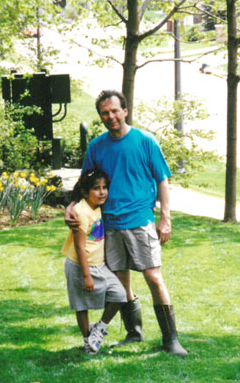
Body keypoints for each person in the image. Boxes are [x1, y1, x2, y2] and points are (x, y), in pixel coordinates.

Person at [65, 90, 188, 356]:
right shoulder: (97, 146)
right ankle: (134, 333)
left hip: (140, 221)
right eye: (104, 113)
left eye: (114, 111)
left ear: (125, 111)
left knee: (153, 277)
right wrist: (70, 207)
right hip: (109, 225)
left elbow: (162, 181)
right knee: (122, 284)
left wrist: (165, 217)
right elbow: (84, 183)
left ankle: (171, 339)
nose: (110, 116)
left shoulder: (145, 141)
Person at [61, 168, 127, 354]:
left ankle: (98, 329)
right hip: (80, 266)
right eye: (96, 188)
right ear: (85, 192)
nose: (102, 192)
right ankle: (86, 340)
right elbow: (80, 247)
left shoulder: (97, 208)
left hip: (99, 265)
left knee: (120, 295)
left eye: (105, 187)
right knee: (82, 305)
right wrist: (87, 275)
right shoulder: (81, 212)